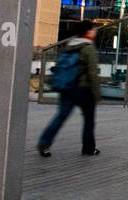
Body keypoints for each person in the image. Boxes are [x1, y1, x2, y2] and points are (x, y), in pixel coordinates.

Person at [38, 20, 102, 157]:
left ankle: (44, 142)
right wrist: (97, 93)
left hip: (68, 87)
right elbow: (92, 73)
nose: (95, 32)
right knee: (89, 120)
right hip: (84, 90)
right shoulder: (88, 48)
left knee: (61, 116)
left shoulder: (70, 46)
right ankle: (89, 148)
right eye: (94, 29)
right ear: (89, 32)